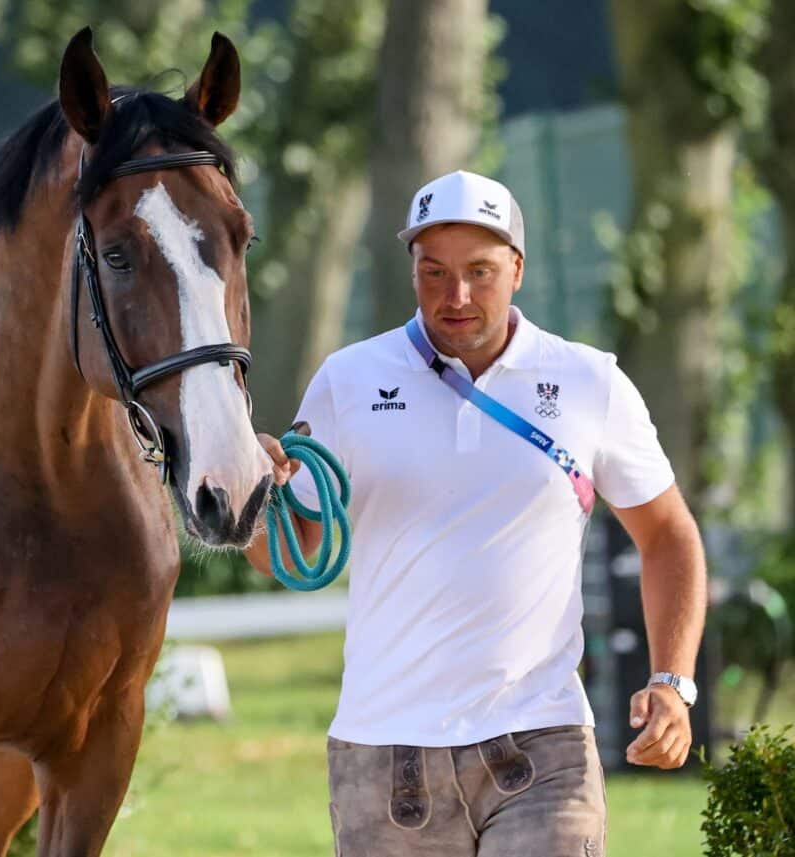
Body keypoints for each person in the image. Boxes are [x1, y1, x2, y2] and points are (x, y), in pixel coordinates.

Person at [244, 170, 706, 856]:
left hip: (543, 745)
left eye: (480, 272)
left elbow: (668, 534)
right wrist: (253, 494)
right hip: (384, 753)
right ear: (412, 272)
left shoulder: (589, 383)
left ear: (517, 269)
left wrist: (673, 682)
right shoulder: (348, 379)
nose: (455, 296)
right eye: (434, 273)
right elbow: (293, 554)